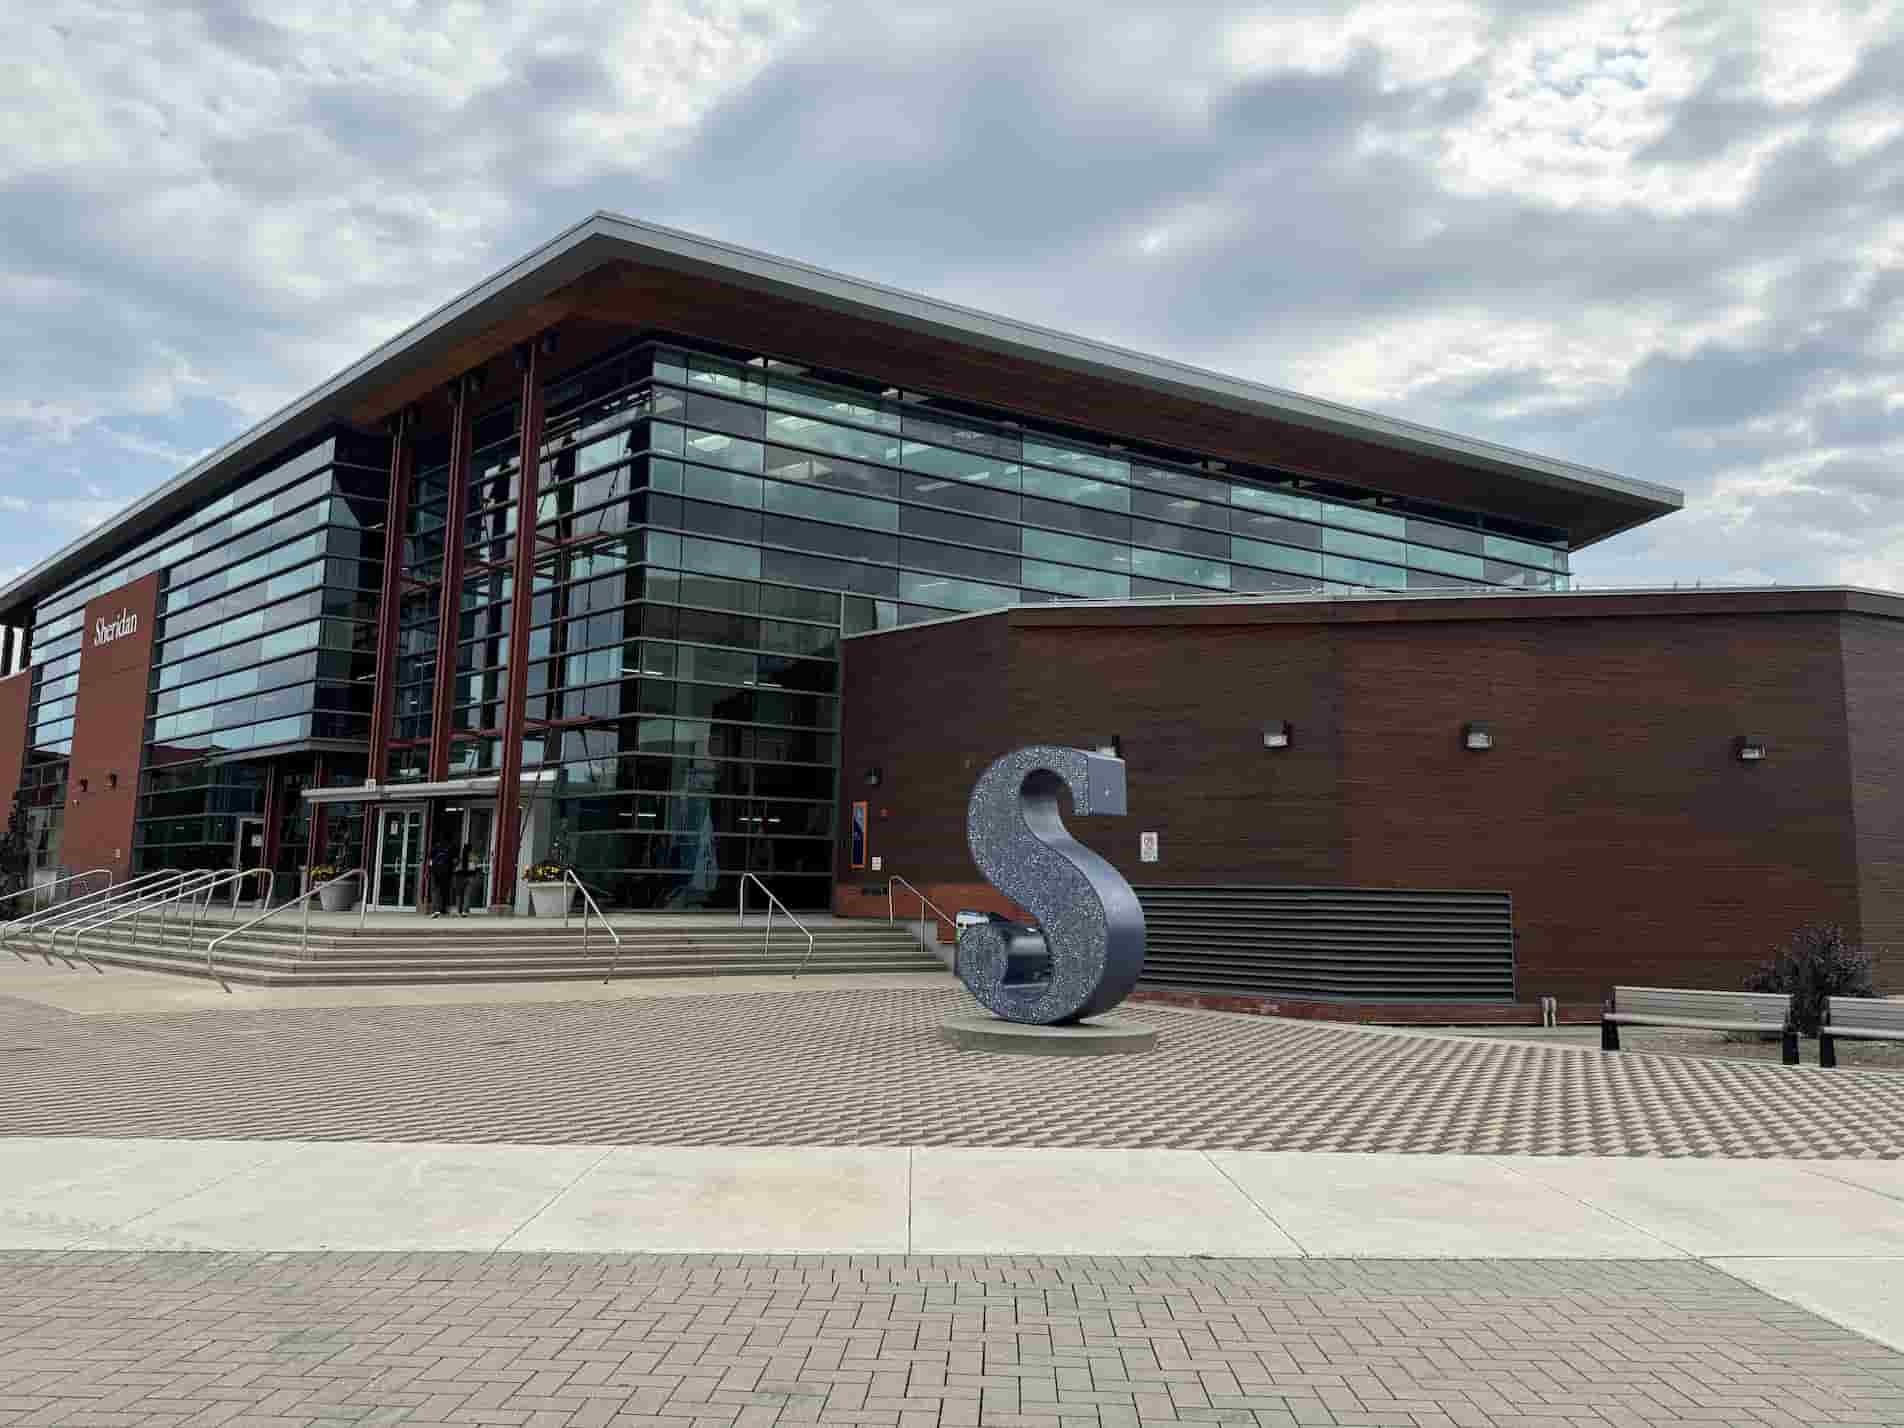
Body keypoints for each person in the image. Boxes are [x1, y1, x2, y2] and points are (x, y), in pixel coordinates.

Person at [428, 839, 455, 919]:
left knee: (434, 891)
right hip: (444, 874)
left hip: (435, 872)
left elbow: (430, 861)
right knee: (442, 891)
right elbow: (452, 862)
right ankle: (442, 908)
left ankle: (435, 910)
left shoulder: (434, 849)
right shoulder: (448, 849)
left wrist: (430, 870)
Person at [456, 842, 477, 916]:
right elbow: (475, 865)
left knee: (459, 894)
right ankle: (465, 911)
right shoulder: (472, 856)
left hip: (461, 877)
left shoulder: (460, 857)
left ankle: (459, 910)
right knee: (467, 895)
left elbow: (457, 867)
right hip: (470, 877)